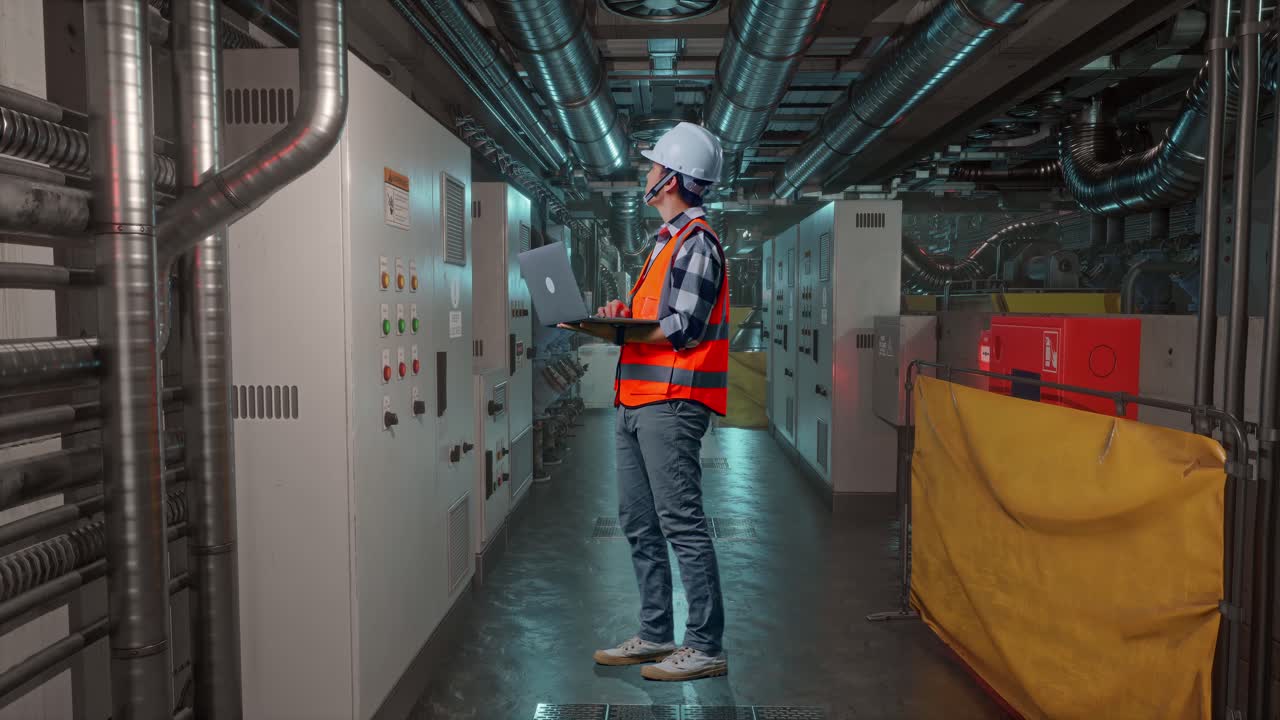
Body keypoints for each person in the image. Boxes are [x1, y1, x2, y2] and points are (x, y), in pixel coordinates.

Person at [559, 121, 730, 682]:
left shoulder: (697, 242)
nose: (648, 174)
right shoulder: (663, 245)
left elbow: (681, 328)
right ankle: (656, 634)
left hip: (672, 403)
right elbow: (653, 319)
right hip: (636, 400)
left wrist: (623, 329)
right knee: (638, 521)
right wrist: (613, 319)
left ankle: (703, 644)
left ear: (675, 180)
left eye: (655, 167)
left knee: (680, 522)